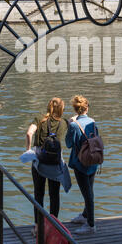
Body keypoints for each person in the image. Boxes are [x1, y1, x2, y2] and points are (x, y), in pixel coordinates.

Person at [24, 97, 70, 236]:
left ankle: (38, 227)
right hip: (55, 163)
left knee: (39, 194)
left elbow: (29, 133)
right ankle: (54, 227)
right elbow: (73, 121)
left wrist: (28, 150)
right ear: (61, 109)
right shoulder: (64, 123)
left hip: (39, 161)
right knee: (54, 195)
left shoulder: (39, 118)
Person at [65, 95, 98, 235]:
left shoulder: (74, 125)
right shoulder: (92, 122)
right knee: (89, 190)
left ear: (75, 109)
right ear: (87, 108)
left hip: (80, 163)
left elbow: (68, 144)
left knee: (87, 194)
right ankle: (85, 216)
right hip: (93, 161)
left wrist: (70, 124)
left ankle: (91, 225)